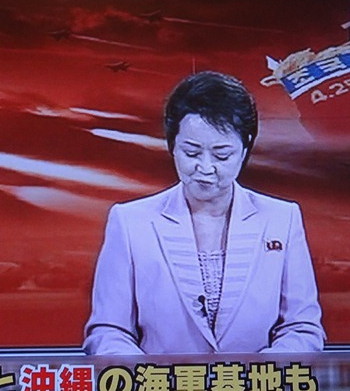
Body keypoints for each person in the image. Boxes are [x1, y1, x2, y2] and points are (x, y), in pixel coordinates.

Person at [83, 71, 325, 354]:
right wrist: (148, 375)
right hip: (161, 383)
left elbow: (302, 329)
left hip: (255, 383)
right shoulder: (130, 222)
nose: (206, 168)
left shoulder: (281, 219)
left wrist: (256, 373)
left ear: (245, 147)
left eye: (222, 155)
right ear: (172, 145)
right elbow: (109, 332)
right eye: (192, 152)